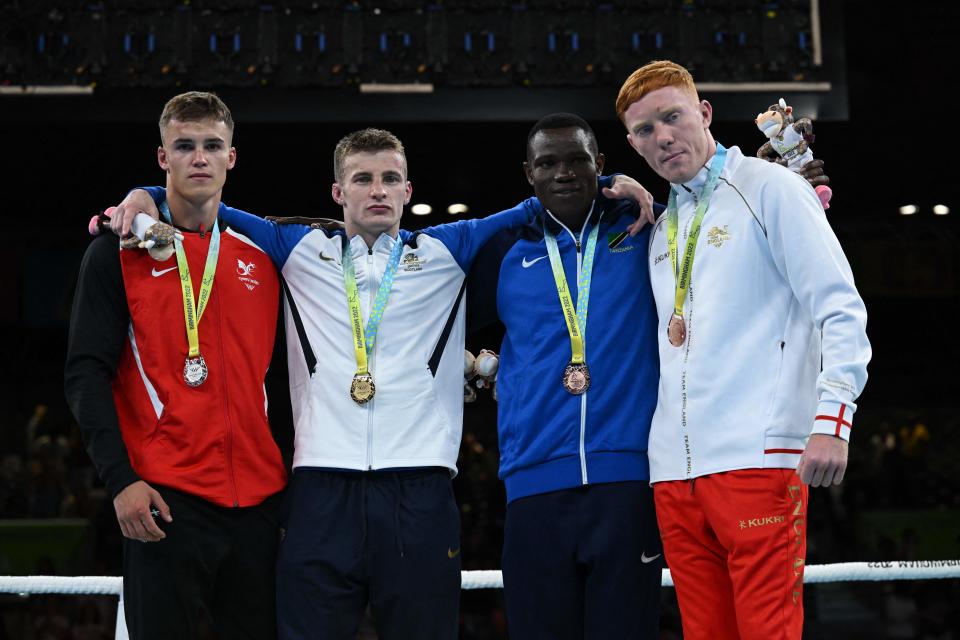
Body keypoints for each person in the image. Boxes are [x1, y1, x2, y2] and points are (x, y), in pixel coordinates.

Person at [108, 128, 541, 640]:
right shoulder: (298, 247)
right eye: (362, 179)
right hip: (320, 492)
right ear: (338, 192)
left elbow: (544, 203)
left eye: (390, 179)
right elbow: (206, 203)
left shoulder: (451, 248)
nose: (377, 190)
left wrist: (615, 182)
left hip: (419, 490)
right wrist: (149, 194)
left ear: (408, 190)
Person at [612, 60, 871, 639]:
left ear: (703, 114)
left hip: (758, 457)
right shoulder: (658, 228)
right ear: (632, 144)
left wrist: (833, 419)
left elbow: (840, 307)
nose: (664, 138)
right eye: (646, 130)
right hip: (674, 476)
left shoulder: (771, 187)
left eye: (673, 118)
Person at [64, 91, 288, 640]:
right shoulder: (117, 252)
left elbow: (283, 380)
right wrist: (120, 481)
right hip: (163, 501)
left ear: (231, 157)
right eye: (184, 146)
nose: (200, 158)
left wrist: (291, 495)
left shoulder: (264, 256)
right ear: (162, 157)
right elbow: (85, 373)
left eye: (213, 146)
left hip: (259, 504)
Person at [466, 113, 662, 639]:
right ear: (528, 172)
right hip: (533, 484)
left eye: (577, 160)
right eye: (548, 163)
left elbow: (716, 234)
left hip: (628, 481)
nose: (564, 173)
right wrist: (477, 365)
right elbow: (421, 303)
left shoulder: (645, 227)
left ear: (600, 164)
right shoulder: (501, 249)